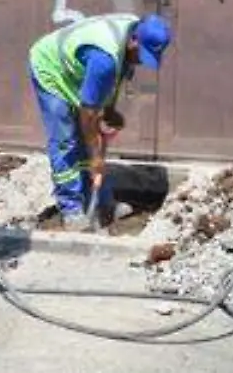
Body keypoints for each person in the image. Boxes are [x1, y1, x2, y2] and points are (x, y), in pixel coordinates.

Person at [27, 12, 172, 231]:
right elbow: (88, 112)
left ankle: (99, 201)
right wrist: (95, 157)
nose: (142, 61)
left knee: (87, 140)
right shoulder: (104, 59)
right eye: (142, 55)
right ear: (134, 40)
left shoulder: (130, 35)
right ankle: (71, 209)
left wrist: (109, 110)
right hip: (51, 69)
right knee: (66, 141)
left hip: (77, 72)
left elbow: (116, 78)